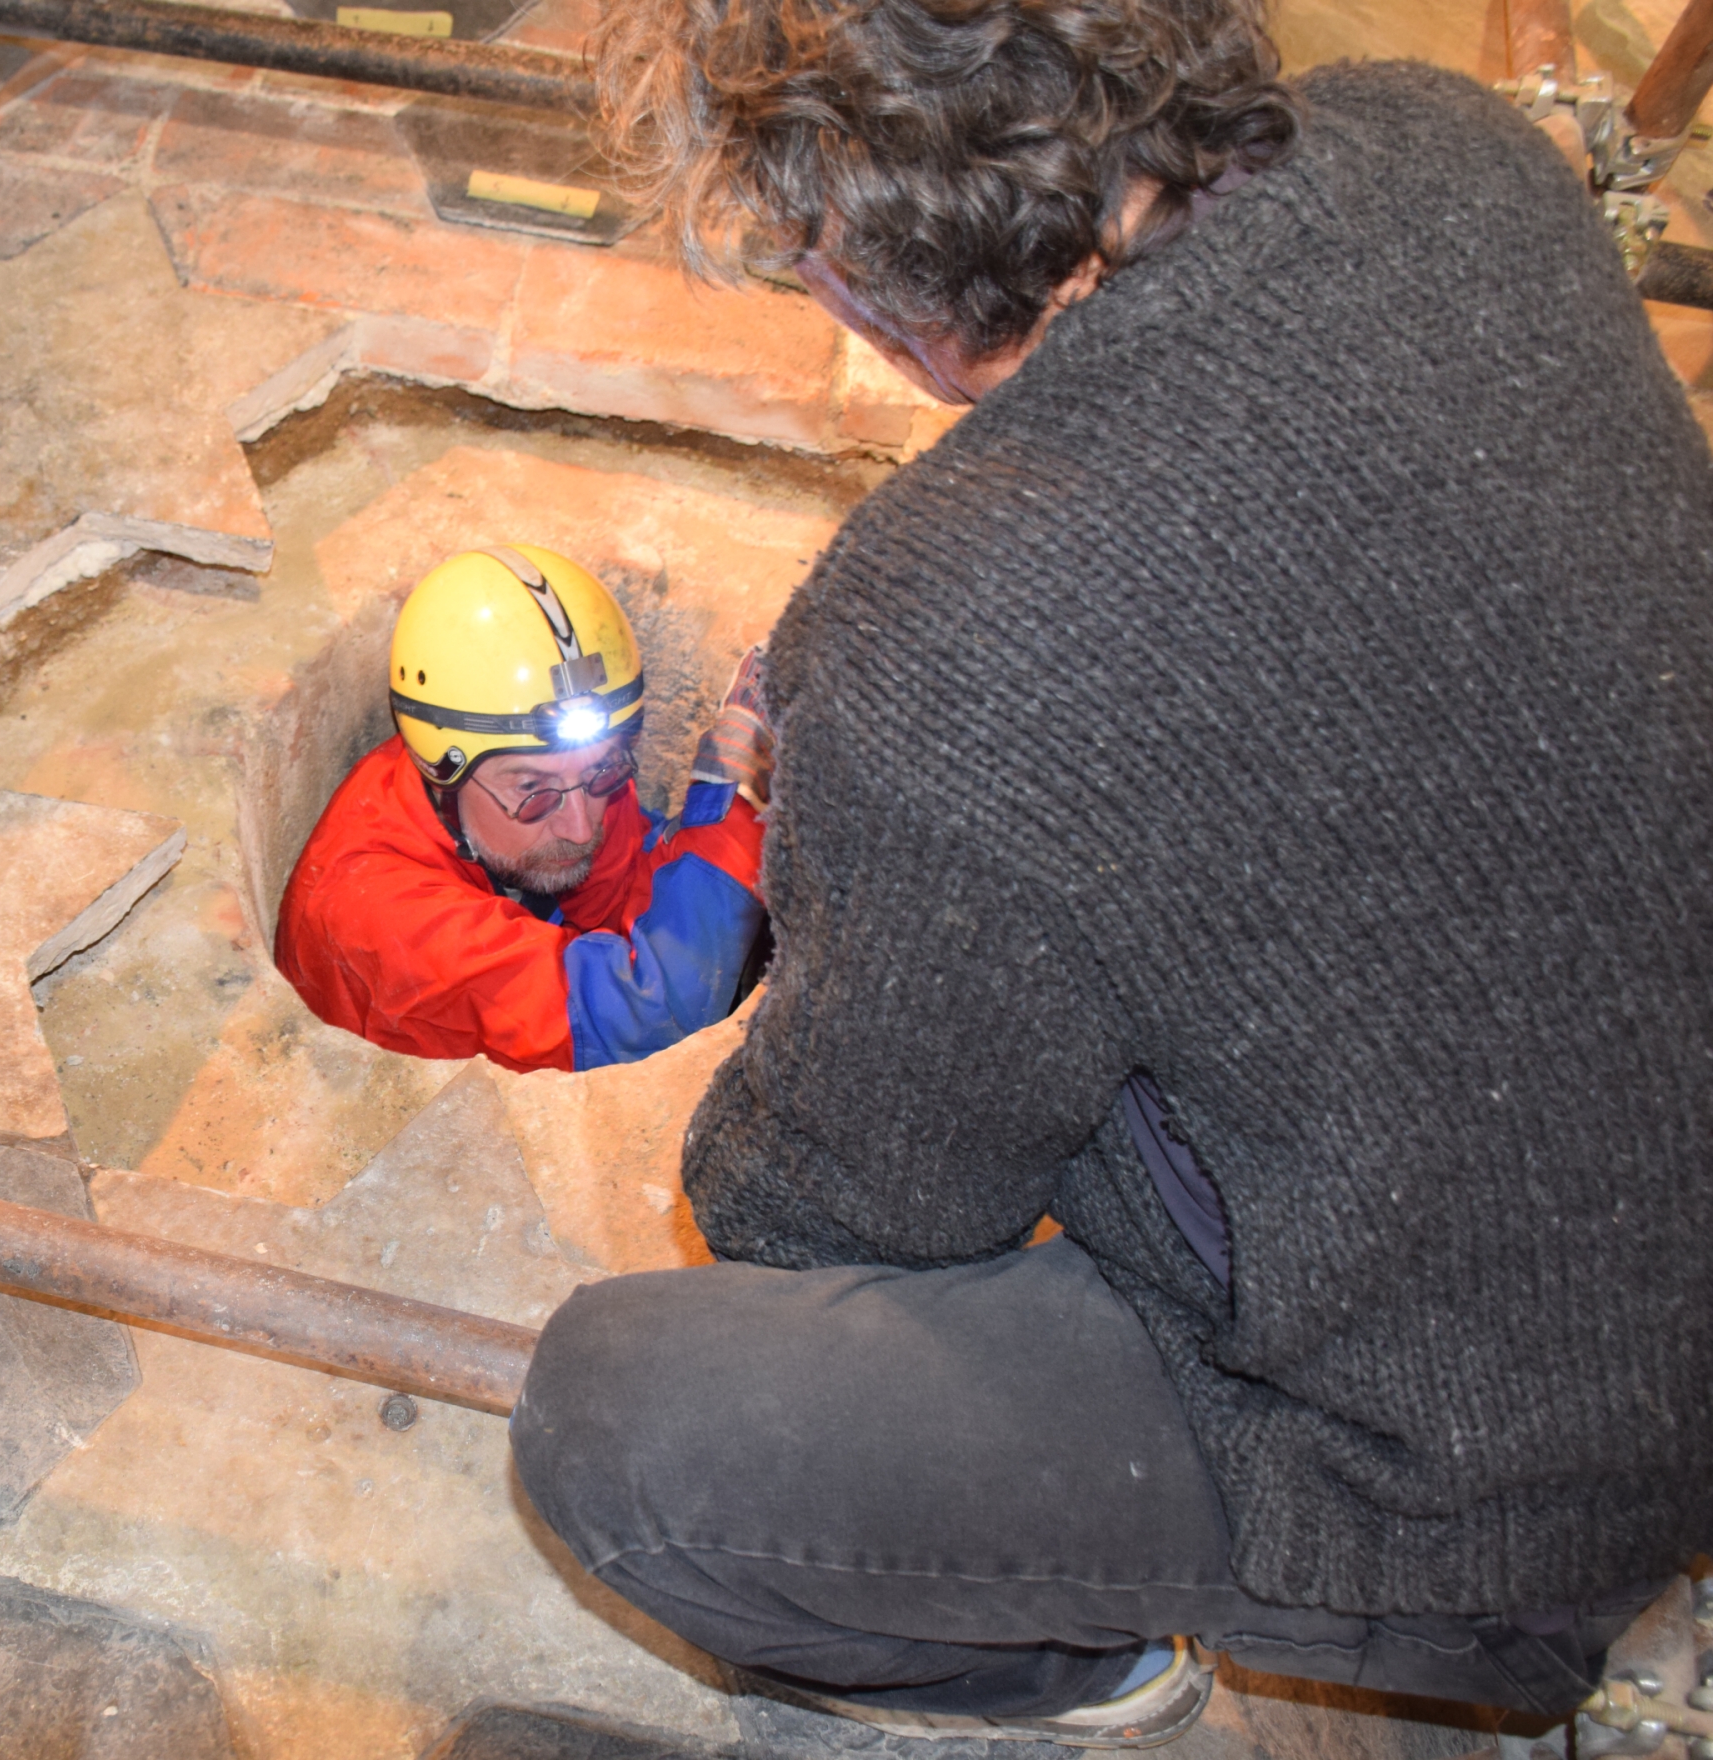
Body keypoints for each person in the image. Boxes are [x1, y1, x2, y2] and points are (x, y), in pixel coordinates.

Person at [506, 0, 1713, 1747]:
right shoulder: (1455, 150)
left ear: (844, 260)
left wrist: (851, 832)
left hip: (1503, 1473)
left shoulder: (943, 638)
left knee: (632, 1429)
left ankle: (1085, 1669)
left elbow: (836, 1218)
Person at [275, 544, 771, 1073]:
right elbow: (643, 1018)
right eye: (534, 791)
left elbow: (628, 887)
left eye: (603, 770)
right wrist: (733, 806)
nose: (580, 826)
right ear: (442, 768)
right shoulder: (379, 917)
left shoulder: (564, 771)